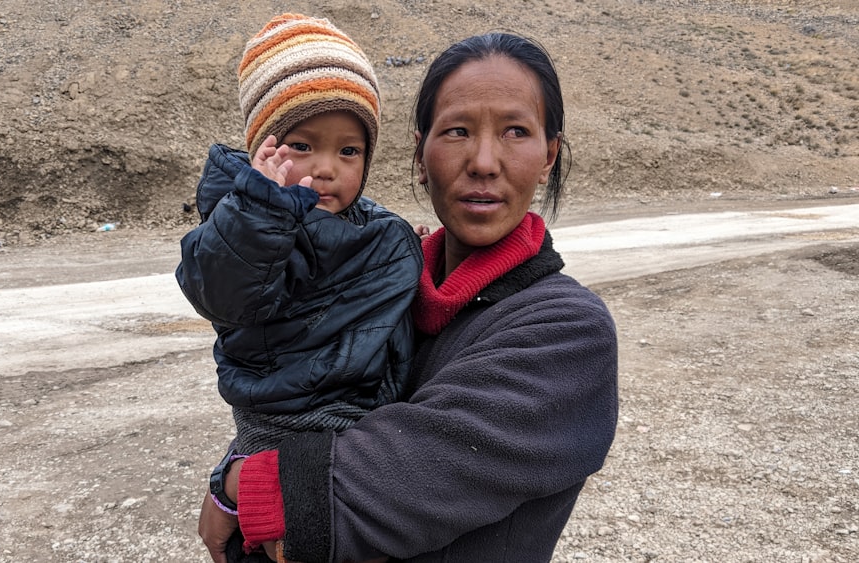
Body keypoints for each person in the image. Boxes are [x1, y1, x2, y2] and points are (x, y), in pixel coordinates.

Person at [198, 31, 619, 563]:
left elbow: (395, 482)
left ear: (549, 156)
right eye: (457, 131)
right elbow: (288, 379)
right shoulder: (376, 282)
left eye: (516, 131)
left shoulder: (567, 331)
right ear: (421, 154)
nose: (484, 161)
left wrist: (241, 483)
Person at [176, 13, 423, 559]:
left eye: (349, 150)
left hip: (359, 421)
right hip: (283, 424)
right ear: (263, 150)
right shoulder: (244, 222)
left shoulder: (371, 226)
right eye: (302, 146)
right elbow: (223, 294)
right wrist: (260, 209)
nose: (327, 168)